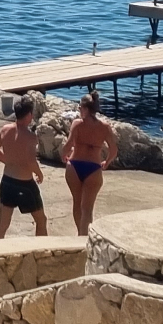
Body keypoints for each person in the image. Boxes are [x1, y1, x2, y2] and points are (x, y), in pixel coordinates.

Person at [0, 97, 48, 239]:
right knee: (41, 220)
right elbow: (31, 161)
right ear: (28, 115)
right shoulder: (30, 137)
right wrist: (39, 173)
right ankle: (42, 250)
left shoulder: (5, 130)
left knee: (2, 225)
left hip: (7, 181)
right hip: (25, 184)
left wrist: (8, 161)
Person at [63, 92, 117, 237]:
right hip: (93, 167)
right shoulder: (104, 127)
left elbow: (67, 145)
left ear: (86, 109)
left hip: (74, 165)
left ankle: (80, 234)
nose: (79, 110)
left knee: (77, 203)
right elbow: (114, 149)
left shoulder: (77, 124)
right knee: (87, 208)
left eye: (80, 108)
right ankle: (84, 236)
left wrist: (64, 156)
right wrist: (107, 162)